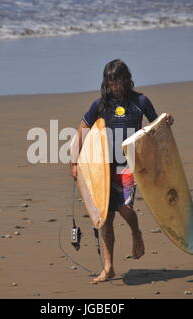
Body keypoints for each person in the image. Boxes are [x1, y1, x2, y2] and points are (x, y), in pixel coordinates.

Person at [70, 59, 174, 282]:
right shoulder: (99, 105)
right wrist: (75, 162)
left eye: (118, 81)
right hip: (103, 167)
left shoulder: (140, 101)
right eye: (111, 82)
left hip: (128, 164)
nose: (115, 86)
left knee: (124, 207)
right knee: (104, 217)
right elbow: (82, 130)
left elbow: (155, 127)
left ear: (127, 80)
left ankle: (136, 233)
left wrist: (166, 121)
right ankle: (109, 268)